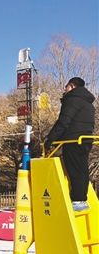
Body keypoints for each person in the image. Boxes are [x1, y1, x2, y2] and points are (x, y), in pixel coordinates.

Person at [45, 77, 96, 212]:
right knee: (82, 169)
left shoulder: (72, 99)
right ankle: (81, 199)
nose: (65, 89)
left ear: (72, 86)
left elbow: (63, 122)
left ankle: (78, 200)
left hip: (72, 140)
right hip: (85, 139)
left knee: (74, 170)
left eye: (66, 86)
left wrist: (50, 139)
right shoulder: (88, 103)